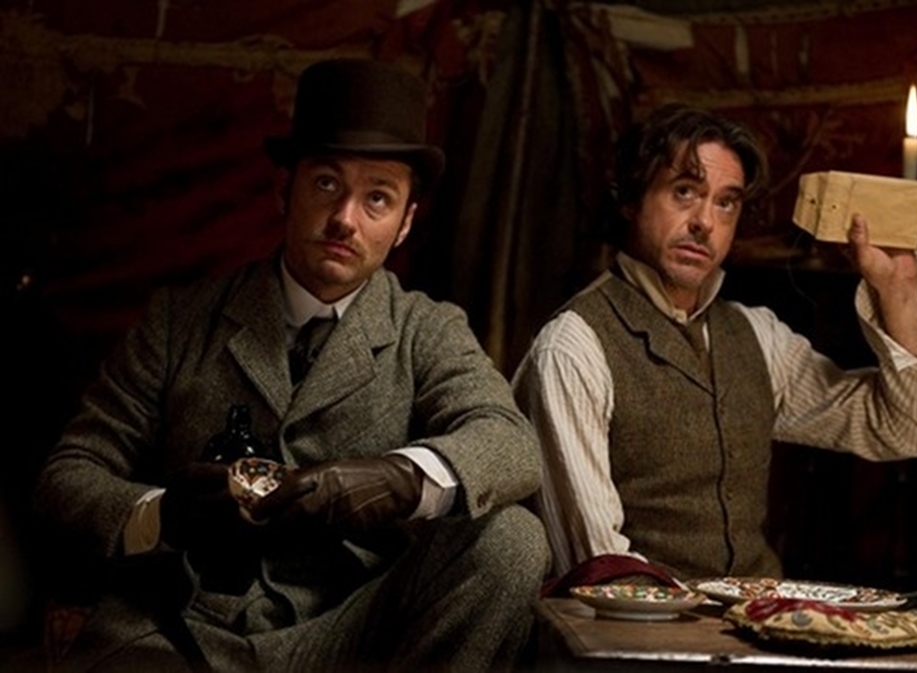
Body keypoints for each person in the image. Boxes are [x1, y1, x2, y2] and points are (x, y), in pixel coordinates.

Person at [34, 58, 549, 673]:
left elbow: (510, 443)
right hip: (179, 629)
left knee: (514, 541)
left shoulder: (426, 329)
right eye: (327, 183)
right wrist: (161, 515)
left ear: (405, 223)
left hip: (348, 633)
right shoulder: (181, 319)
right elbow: (70, 474)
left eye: (377, 198)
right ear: (284, 189)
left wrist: (398, 479)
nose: (345, 219)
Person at [512, 104, 917, 583]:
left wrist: (900, 287)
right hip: (642, 624)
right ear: (632, 199)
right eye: (685, 191)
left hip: (759, 610)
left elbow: (909, 428)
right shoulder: (574, 347)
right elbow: (599, 566)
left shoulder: (756, 336)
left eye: (726, 203)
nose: (705, 221)